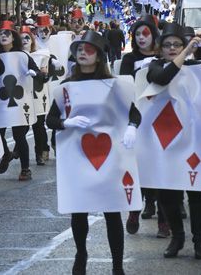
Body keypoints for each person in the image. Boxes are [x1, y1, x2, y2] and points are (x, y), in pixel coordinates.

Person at [137, 23, 201, 260]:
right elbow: (163, 78)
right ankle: (177, 237)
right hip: (163, 141)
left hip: (191, 139)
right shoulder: (154, 66)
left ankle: (200, 241)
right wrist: (186, 51)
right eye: (168, 45)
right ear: (160, 49)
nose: (172, 49)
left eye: (177, 45)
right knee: (167, 192)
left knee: (196, 191)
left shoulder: (197, 68)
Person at [46, 31, 142, 275]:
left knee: (112, 211)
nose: (82, 53)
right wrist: (66, 123)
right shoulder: (66, 87)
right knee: (79, 211)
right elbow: (51, 119)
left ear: (99, 56)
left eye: (88, 49)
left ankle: (117, 265)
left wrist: (132, 128)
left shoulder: (114, 85)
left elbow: (134, 112)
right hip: (77, 155)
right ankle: (81, 253)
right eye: (79, 49)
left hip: (110, 156)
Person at [118, 16, 164, 236]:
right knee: (138, 166)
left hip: (162, 115)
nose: (141, 38)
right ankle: (136, 208)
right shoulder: (129, 59)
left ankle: (163, 216)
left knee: (161, 165)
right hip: (138, 116)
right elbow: (125, 88)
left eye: (145, 33)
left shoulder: (164, 55)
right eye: (137, 34)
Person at [0, 21, 40, 181]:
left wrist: (34, 72)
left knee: (19, 135)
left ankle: (25, 169)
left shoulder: (23, 55)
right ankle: (6, 154)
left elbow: (37, 71)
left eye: (7, 34)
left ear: (13, 37)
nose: (3, 36)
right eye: (1, 34)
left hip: (19, 99)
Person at [20, 26, 51, 166]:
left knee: (39, 125)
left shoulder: (41, 55)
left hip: (38, 96)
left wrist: (41, 74)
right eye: (21, 38)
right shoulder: (14, 57)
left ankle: (41, 152)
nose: (24, 40)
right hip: (21, 97)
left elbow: (45, 75)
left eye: (27, 37)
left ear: (32, 40)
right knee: (22, 127)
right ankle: (17, 152)